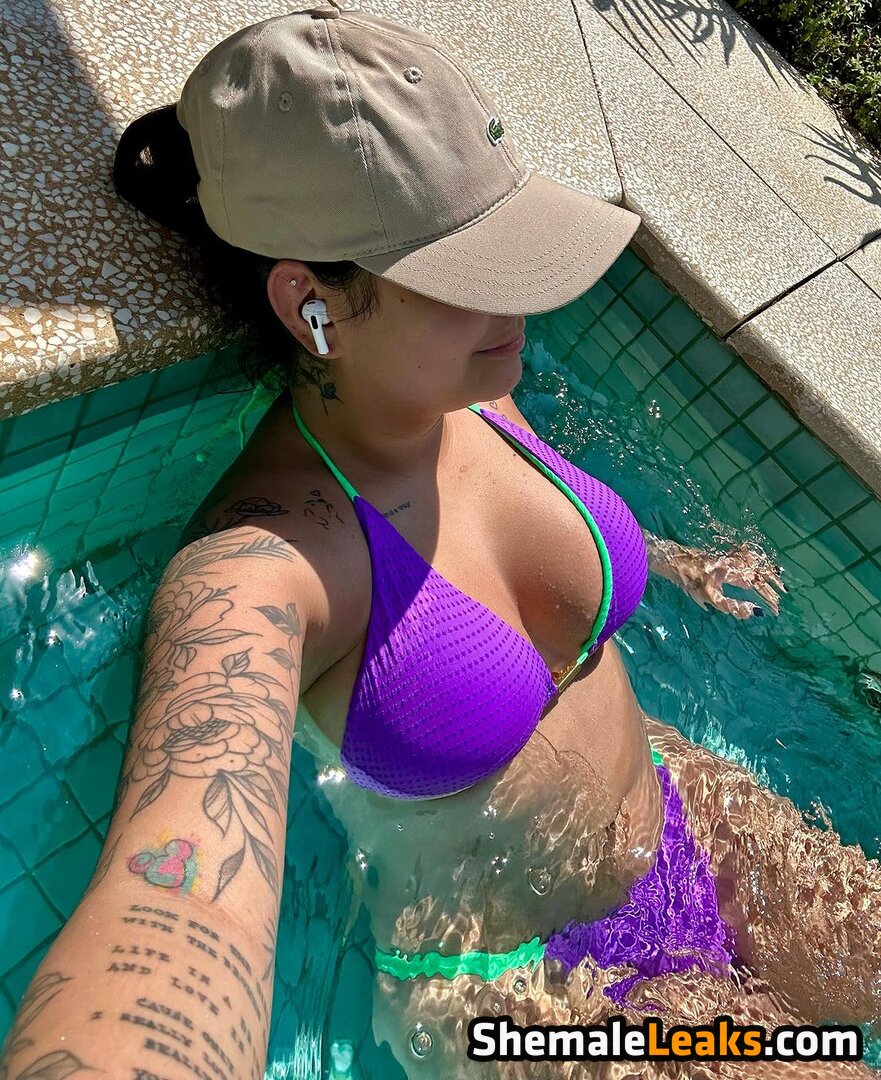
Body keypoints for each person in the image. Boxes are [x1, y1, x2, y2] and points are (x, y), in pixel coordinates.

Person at [2, 4, 879, 1079]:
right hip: (523, 980)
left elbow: (535, 516)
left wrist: (668, 559)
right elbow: (179, 897)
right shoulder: (263, 568)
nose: (522, 296)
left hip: (689, 812)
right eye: (470, 272)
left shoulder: (473, 387)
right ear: (312, 302)